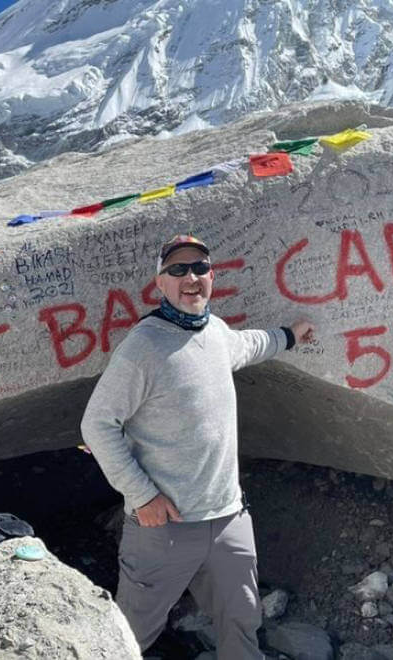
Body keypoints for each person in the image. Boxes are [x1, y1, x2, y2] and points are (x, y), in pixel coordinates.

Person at [80, 234, 315, 659]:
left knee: (242, 626)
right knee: (127, 637)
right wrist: (142, 495)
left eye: (200, 268)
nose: (191, 278)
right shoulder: (144, 346)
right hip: (162, 528)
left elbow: (252, 345)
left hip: (228, 518)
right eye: (178, 270)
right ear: (160, 283)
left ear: (212, 276)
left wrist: (290, 336)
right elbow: (97, 424)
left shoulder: (217, 333)